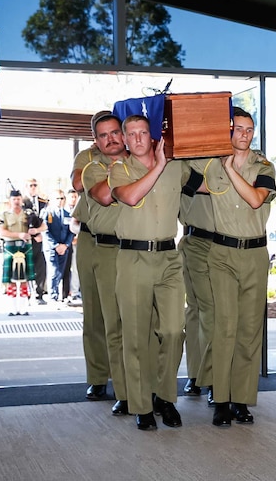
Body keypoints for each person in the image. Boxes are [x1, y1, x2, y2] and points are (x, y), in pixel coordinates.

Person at [184, 107, 276, 427]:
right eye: (238, 129)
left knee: (249, 333)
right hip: (221, 254)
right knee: (224, 327)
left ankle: (241, 400)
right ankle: (220, 399)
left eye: (250, 130)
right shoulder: (210, 167)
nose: (245, 135)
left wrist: (229, 169)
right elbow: (183, 181)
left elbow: (254, 199)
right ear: (228, 131)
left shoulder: (264, 166)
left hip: (254, 255)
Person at [109, 114, 185, 431]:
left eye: (143, 132)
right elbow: (131, 196)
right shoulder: (118, 170)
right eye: (132, 134)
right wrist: (158, 165)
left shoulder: (177, 168)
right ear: (125, 140)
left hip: (168, 257)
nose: (139, 138)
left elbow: (206, 186)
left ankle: (165, 398)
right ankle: (141, 406)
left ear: (151, 135)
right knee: (137, 337)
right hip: (133, 258)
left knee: (173, 330)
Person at [71, 111, 113, 401]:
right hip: (89, 240)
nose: (109, 138)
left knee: (121, 315)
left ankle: (128, 379)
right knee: (94, 314)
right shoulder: (88, 158)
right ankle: (98, 377)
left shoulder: (134, 155)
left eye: (113, 132)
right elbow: (77, 183)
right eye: (102, 134)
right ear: (95, 138)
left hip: (121, 243)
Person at [179, 189, 216, 398]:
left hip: (221, 244)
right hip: (195, 241)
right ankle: (201, 376)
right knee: (197, 310)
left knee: (208, 311)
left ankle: (206, 376)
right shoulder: (186, 163)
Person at [0, 189, 42, 316]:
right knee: (11, 279)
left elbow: (43, 226)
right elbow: (2, 232)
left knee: (24, 278)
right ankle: (13, 307)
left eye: (18, 199)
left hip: (25, 248)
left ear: (21, 199)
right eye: (14, 199)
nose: (16, 201)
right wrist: (19, 234)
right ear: (10, 201)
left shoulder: (28, 214)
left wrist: (35, 232)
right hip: (10, 247)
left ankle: (23, 307)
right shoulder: (5, 215)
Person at [40, 189, 74, 303]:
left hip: (64, 248)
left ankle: (59, 295)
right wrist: (55, 245)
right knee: (53, 271)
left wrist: (65, 245)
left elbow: (71, 231)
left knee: (60, 272)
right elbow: (45, 231)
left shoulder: (68, 214)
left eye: (62, 198)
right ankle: (52, 296)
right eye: (57, 198)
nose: (60, 201)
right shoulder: (47, 213)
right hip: (51, 248)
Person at [22, 178, 48, 304]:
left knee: (40, 267)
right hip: (26, 240)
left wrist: (39, 231)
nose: (33, 187)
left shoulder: (43, 202)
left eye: (35, 185)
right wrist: (32, 234)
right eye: (30, 185)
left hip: (40, 240)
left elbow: (46, 221)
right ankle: (26, 294)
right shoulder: (21, 202)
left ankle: (39, 293)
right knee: (26, 267)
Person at [62, 188, 80, 302]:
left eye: (75, 197)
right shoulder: (63, 212)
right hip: (65, 244)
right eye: (71, 197)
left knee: (77, 268)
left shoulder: (80, 209)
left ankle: (75, 291)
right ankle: (64, 293)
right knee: (65, 269)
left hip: (78, 243)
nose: (73, 199)